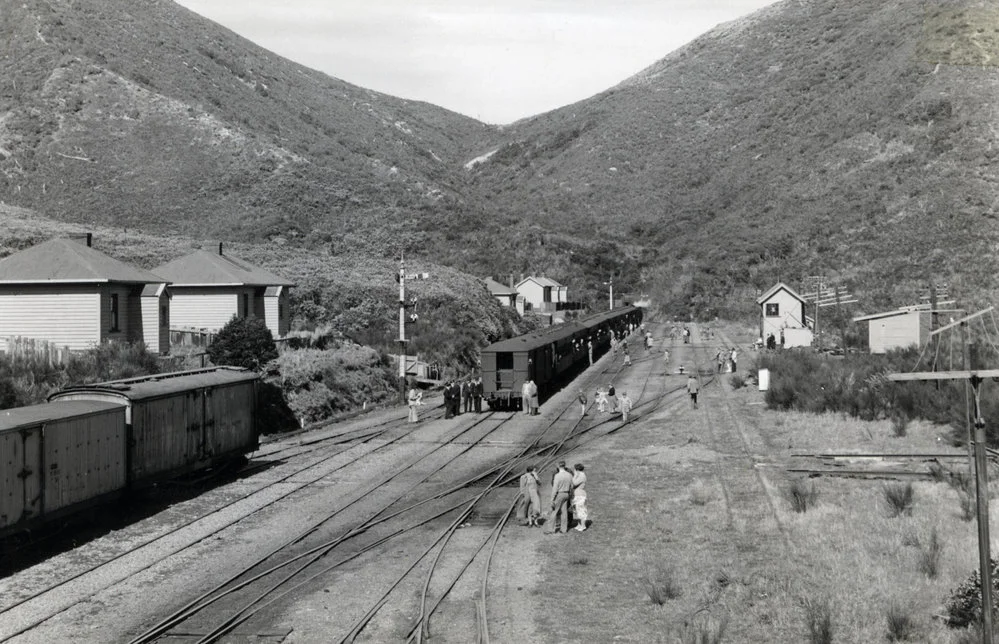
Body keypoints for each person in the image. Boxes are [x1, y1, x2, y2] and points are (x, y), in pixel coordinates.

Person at [544, 462, 573, 534]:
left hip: (559, 494)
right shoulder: (569, 475)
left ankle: (550, 529)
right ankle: (564, 529)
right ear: (564, 466)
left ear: (558, 467)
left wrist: (552, 499)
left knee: (554, 511)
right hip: (567, 494)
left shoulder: (557, 476)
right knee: (564, 512)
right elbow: (572, 486)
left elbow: (554, 489)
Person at [571, 464, 588, 531]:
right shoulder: (580, 475)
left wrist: (574, 475)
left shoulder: (581, 476)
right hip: (577, 494)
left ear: (576, 469)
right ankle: (579, 524)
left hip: (580, 495)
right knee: (577, 511)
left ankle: (583, 526)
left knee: (581, 510)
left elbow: (574, 483)